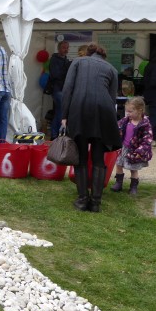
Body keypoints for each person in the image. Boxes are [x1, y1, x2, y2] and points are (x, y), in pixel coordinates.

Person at [61, 43, 122, 213]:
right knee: (98, 158)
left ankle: (82, 200)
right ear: (104, 56)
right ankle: (95, 202)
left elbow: (68, 89)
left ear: (88, 53)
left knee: (80, 156)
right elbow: (112, 97)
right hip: (104, 112)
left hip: (79, 109)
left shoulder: (78, 62)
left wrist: (64, 115)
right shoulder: (111, 69)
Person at [111, 96, 153, 196]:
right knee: (119, 164)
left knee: (133, 169)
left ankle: (133, 186)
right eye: (127, 111)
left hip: (135, 150)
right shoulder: (126, 121)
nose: (128, 114)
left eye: (130, 111)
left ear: (140, 110)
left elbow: (147, 140)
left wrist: (140, 151)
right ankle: (118, 183)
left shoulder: (145, 124)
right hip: (123, 148)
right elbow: (116, 127)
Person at [48, 40, 71, 139]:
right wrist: (66, 70)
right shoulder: (54, 59)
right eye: (64, 47)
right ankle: (54, 134)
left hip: (64, 89)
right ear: (59, 49)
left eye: (67, 48)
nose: (66, 50)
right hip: (57, 89)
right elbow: (55, 75)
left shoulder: (66, 60)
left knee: (60, 112)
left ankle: (57, 134)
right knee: (60, 112)